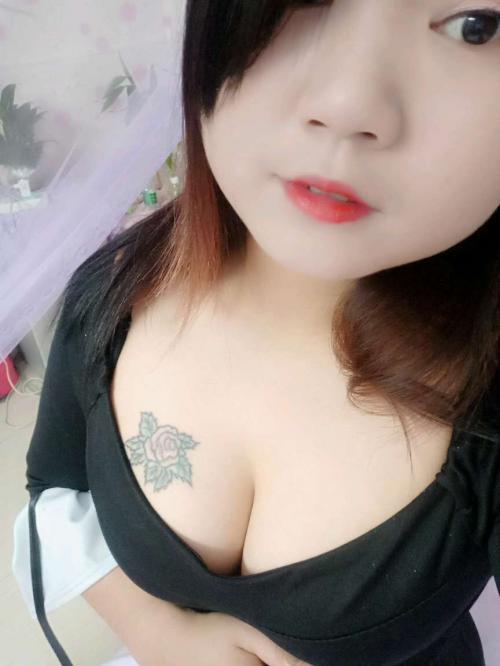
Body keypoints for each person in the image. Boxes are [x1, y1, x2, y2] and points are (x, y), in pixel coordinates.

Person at [11, 1, 500, 664]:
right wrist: (160, 635)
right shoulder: (117, 290)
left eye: (476, 27)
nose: (346, 104)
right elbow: (54, 483)